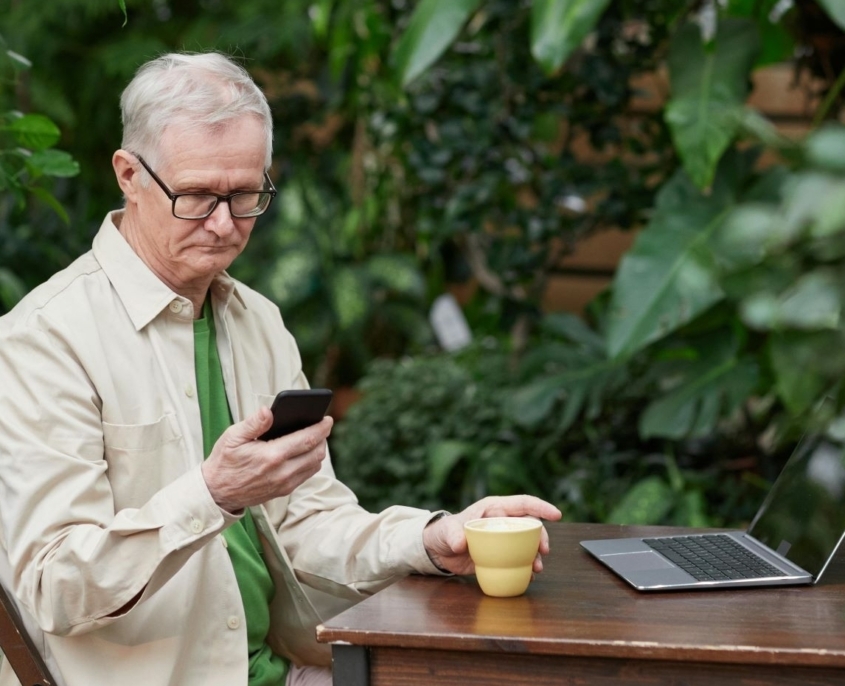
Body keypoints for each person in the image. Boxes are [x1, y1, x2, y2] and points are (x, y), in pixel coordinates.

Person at [0, 52, 562, 686]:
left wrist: (433, 539)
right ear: (129, 176)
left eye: (245, 195)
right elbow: (52, 587)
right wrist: (212, 495)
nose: (222, 224)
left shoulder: (258, 321)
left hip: (287, 669)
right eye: (196, 196)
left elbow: (309, 522)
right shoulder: (43, 339)